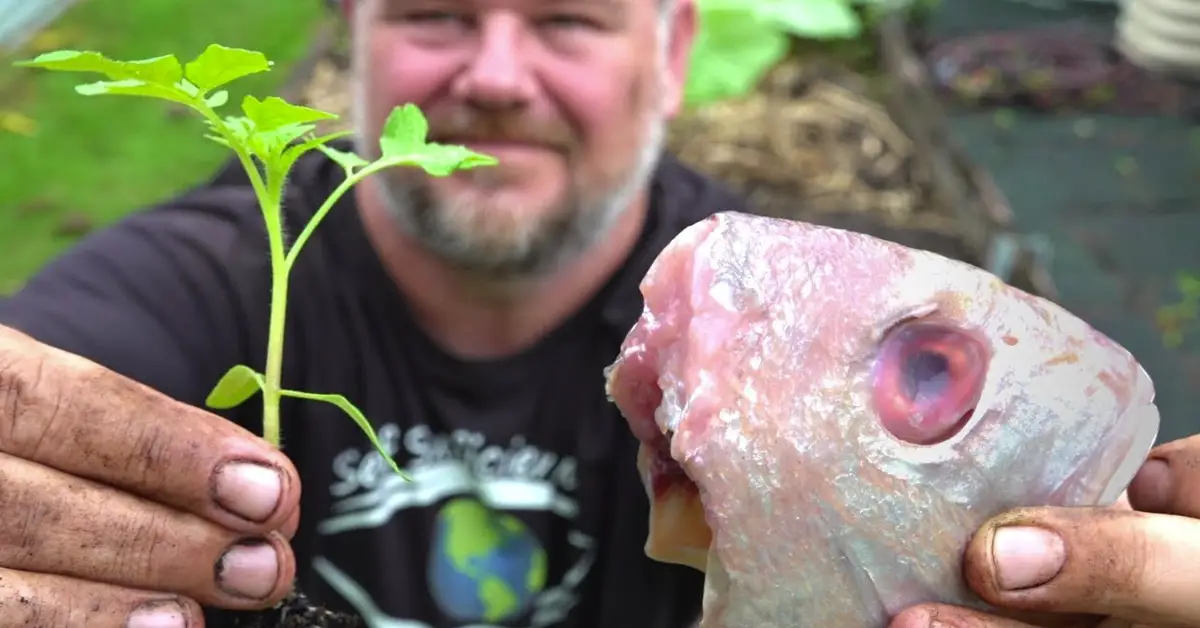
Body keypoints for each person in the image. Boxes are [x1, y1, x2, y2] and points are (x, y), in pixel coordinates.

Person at [0, 0, 1196, 627]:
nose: (497, 77)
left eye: (569, 17)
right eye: (434, 13)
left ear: (672, 52)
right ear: (351, 43)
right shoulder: (204, 281)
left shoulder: (785, 332)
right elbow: (43, 375)